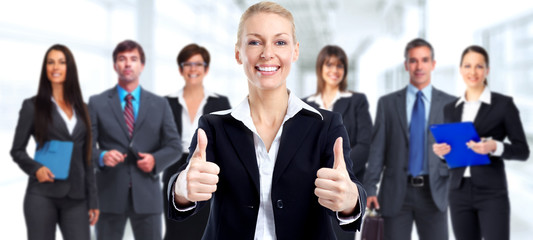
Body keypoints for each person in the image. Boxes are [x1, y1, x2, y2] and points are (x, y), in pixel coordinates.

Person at [167, 1, 366, 239]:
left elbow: (348, 191)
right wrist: (182, 188)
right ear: (238, 53)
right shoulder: (214, 127)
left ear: (295, 51)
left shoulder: (325, 125)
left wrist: (349, 200)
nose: (267, 53)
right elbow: (189, 183)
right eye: (254, 42)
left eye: (280, 42)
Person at [432, 45, 529, 240]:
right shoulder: (450, 109)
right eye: (468, 66)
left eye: (479, 66)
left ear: (487, 70)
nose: (473, 72)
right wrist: (443, 153)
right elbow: (452, 153)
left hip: (492, 192)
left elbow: (522, 150)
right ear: (460, 70)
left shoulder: (504, 105)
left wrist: (495, 146)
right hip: (458, 192)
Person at [363, 38, 455, 240]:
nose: (419, 66)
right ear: (406, 65)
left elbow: (459, 154)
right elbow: (377, 150)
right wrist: (370, 188)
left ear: (433, 64)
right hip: (396, 192)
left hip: (434, 193)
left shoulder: (450, 104)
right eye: (413, 60)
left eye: (424, 60)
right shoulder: (387, 104)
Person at [89, 39, 181, 240]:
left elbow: (174, 146)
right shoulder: (97, 103)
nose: (128, 64)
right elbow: (85, 148)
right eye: (122, 59)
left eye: (133, 59)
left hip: (147, 196)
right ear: (115, 65)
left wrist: (155, 160)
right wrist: (102, 156)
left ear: (142, 65)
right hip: (109, 196)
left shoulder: (160, 104)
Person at [10, 44, 99, 240]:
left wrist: (93, 200)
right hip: (42, 194)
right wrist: (36, 169)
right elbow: (17, 150)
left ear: (70, 68)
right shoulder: (32, 106)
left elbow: (89, 157)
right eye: (50, 62)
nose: (55, 67)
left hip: (76, 197)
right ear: (45, 68)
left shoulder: (84, 109)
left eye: (61, 62)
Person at [162, 43, 231, 240]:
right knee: (176, 225)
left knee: (204, 224)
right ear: (180, 69)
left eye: (198, 64)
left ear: (206, 69)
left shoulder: (220, 102)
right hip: (174, 166)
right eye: (188, 64)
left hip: (206, 167)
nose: (193, 69)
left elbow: (225, 139)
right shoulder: (167, 102)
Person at [303, 45, 372, 240]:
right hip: (311, 189)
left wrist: (337, 173)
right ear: (320, 68)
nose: (334, 70)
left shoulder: (357, 101)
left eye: (340, 65)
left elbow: (365, 144)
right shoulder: (304, 104)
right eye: (329, 64)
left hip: (344, 187)